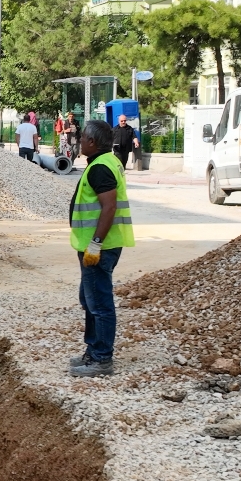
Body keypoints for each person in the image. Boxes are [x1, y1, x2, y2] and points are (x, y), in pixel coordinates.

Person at [69, 119, 135, 378]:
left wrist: (95, 244)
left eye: (83, 138)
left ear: (92, 142)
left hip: (100, 246)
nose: (80, 141)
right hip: (96, 244)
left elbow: (109, 207)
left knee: (99, 302)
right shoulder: (107, 162)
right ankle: (93, 350)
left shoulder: (100, 168)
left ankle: (101, 358)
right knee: (90, 299)